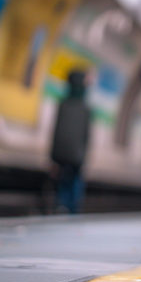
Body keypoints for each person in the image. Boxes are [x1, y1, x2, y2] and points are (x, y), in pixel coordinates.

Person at [50, 70, 92, 214]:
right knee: (75, 183)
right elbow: (86, 136)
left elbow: (56, 131)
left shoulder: (63, 104)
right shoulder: (86, 108)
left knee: (63, 181)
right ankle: (73, 211)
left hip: (61, 154)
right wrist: (84, 156)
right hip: (77, 156)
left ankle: (61, 206)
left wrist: (53, 157)